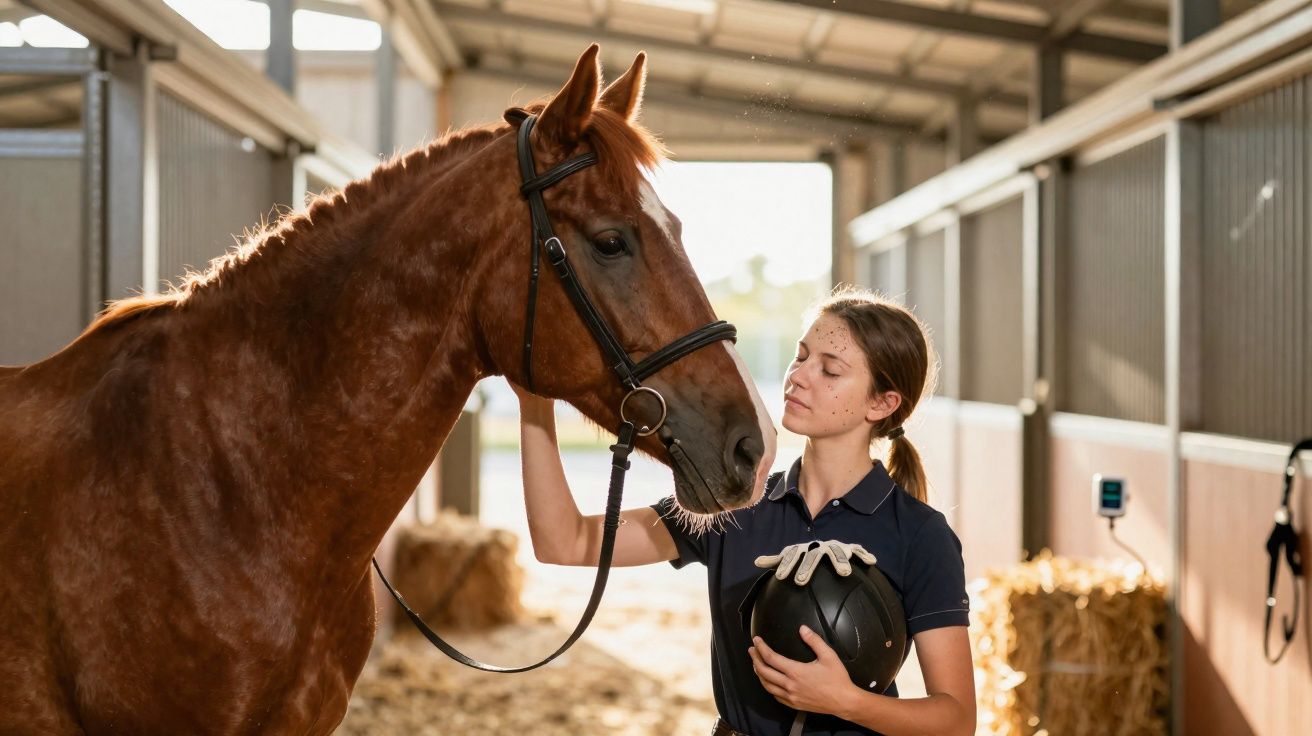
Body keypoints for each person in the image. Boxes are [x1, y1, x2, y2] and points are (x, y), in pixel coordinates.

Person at [513, 288, 976, 736]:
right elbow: (565, 541)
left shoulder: (920, 535)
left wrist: (847, 703)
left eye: (830, 370)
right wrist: (534, 403)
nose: (799, 376)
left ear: (882, 403)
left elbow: (956, 721)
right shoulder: (733, 502)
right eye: (801, 356)